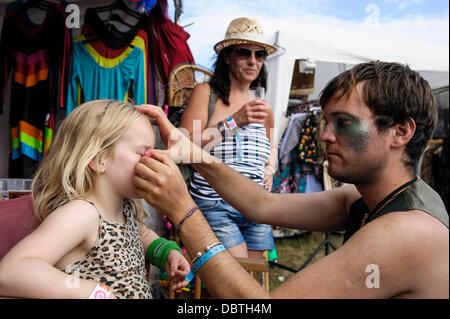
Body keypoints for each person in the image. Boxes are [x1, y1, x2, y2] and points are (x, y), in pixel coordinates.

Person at [134, 61, 449, 298]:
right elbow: (261, 203)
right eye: (327, 121)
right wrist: (192, 152)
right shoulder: (364, 199)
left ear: (401, 132)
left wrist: (182, 209)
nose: (325, 135)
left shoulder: (408, 231)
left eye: (343, 123)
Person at [0, 100, 190, 299]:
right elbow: (10, 272)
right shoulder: (81, 213)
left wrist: (167, 253)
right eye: (143, 153)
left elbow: (144, 237)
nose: (153, 160)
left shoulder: (124, 207)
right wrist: (96, 293)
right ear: (99, 159)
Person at [178, 17, 278, 260]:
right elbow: (184, 147)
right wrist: (233, 121)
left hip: (257, 204)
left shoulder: (263, 106)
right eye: (244, 52)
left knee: (251, 281)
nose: (253, 61)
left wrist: (270, 167)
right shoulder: (206, 93)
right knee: (237, 276)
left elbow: (271, 144)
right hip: (215, 203)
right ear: (227, 56)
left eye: (260, 54)